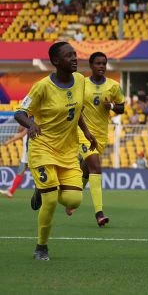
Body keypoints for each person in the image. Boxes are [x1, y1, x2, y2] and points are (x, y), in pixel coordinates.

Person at [15, 41, 97, 261]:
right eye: (69, 55)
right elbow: (20, 112)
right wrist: (30, 124)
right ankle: (41, 247)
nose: (74, 58)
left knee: (73, 200)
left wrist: (87, 133)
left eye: (75, 54)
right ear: (55, 61)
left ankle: (43, 189)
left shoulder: (80, 80)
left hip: (68, 151)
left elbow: (77, 110)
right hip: (42, 147)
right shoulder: (41, 86)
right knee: (51, 201)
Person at [76, 51, 125, 227]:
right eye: (98, 63)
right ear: (91, 65)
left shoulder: (113, 86)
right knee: (96, 166)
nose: (102, 66)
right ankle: (99, 214)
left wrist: (111, 106)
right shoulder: (81, 84)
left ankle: (73, 199)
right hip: (83, 133)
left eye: (104, 63)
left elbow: (122, 107)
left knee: (87, 170)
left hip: (101, 135)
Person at [0, 126, 28, 198]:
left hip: (29, 155)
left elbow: (21, 134)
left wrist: (8, 141)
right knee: (21, 172)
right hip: (31, 154)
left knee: (20, 172)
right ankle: (11, 191)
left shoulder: (30, 123)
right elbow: (20, 131)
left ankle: (11, 191)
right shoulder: (31, 123)